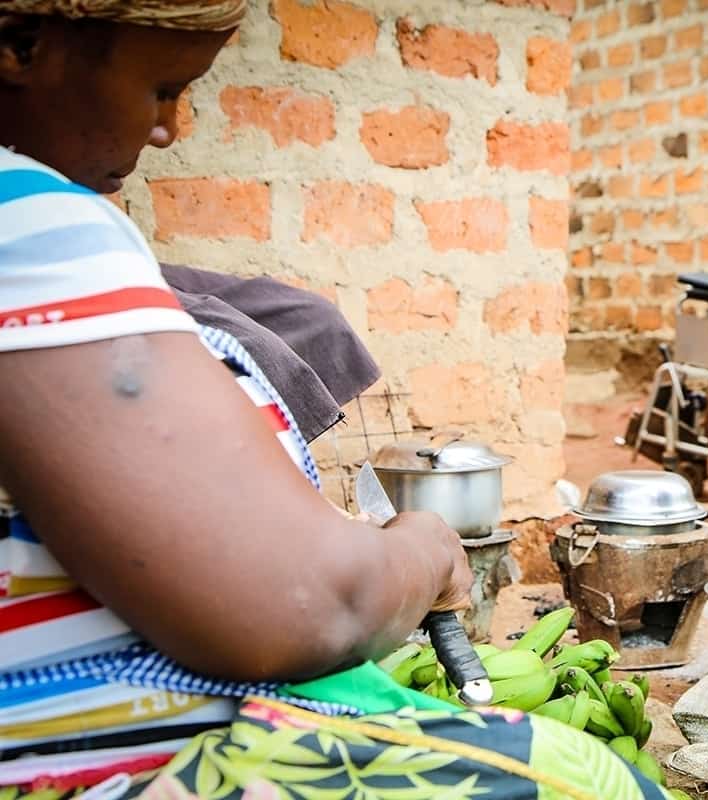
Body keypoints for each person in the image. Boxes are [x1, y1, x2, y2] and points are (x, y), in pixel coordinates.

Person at [0, 4, 665, 799]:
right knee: (601, 782)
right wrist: (424, 552)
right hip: (92, 769)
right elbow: (307, 609)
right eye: (161, 89)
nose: (171, 129)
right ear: (21, 47)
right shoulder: (32, 220)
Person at [160, 262, 381, 442]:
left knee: (317, 314)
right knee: (252, 344)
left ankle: (287, 444)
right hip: (129, 280)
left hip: (145, 262)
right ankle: (265, 462)